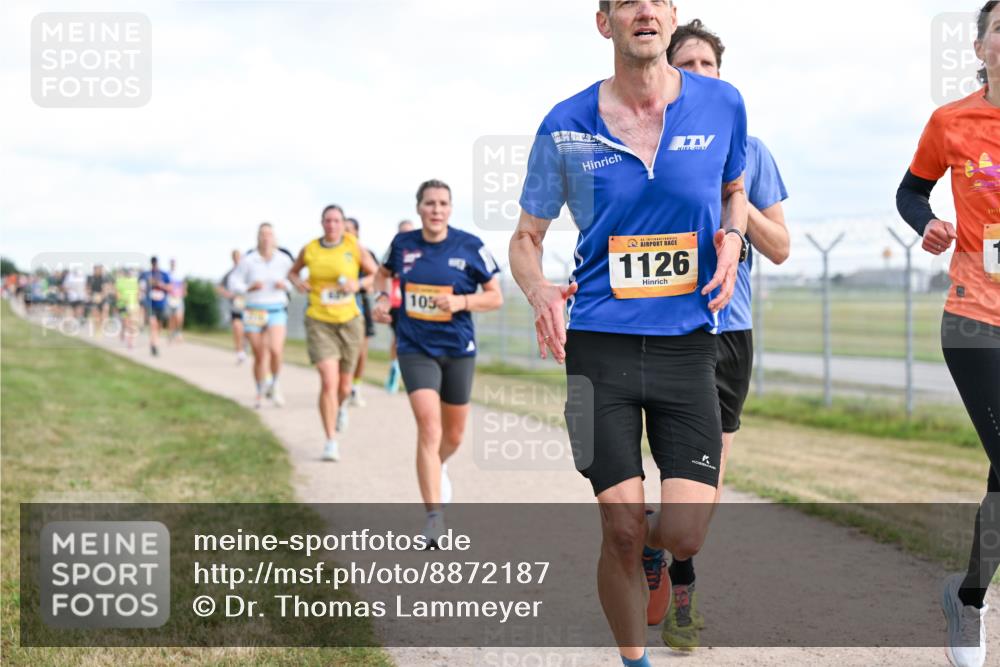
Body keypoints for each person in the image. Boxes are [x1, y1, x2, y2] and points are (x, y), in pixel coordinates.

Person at [509, 2, 749, 664]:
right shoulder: (565, 125)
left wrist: (732, 237)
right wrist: (539, 291)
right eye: (626, 0)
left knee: (685, 534)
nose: (643, 8)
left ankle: (655, 547)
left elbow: (734, 188)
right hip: (598, 347)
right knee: (618, 526)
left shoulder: (723, 105)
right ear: (604, 21)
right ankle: (633, 658)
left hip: (687, 346)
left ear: (671, 18)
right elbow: (526, 238)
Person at [659, 18, 791, 650]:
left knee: (701, 506)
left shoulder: (751, 149)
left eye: (708, 65)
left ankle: (665, 554)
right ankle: (681, 595)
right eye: (685, 64)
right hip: (663, 332)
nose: (698, 75)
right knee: (674, 481)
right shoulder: (648, 143)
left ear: (723, 75)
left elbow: (784, 247)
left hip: (729, 334)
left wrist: (731, 202)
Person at [896, 4, 1000, 665]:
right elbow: (910, 192)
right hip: (974, 316)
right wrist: (928, 223)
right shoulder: (952, 121)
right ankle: (967, 601)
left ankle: (966, 596)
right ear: (981, 45)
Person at [374, 180, 502, 545]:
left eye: (443, 203)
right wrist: (384, 301)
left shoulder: (470, 246)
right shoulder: (403, 245)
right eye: (429, 203)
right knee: (429, 429)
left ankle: (438, 465)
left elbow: (494, 297)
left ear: (450, 208)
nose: (436, 209)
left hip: (458, 348)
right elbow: (382, 277)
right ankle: (434, 518)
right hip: (415, 347)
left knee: (454, 436)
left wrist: (461, 303)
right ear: (419, 208)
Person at [289, 205, 378, 462]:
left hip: (350, 320)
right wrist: (298, 282)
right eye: (327, 221)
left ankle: (340, 406)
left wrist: (357, 284)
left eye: (336, 221)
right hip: (319, 320)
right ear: (321, 223)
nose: (332, 225)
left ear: (342, 223)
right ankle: (330, 440)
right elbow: (293, 272)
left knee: (344, 385)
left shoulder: (353, 245)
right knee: (328, 381)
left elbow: (375, 274)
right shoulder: (310, 248)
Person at [228, 224, 295, 408]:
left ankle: (274, 384)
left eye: (269, 234)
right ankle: (259, 390)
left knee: (275, 350)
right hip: (254, 310)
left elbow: (295, 278)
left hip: (276, 309)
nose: (266, 238)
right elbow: (234, 282)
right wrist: (248, 288)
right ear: (258, 237)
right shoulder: (248, 260)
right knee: (259, 354)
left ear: (274, 238)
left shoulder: (283, 259)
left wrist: (285, 285)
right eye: (263, 234)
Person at [344, 217, 379, 408]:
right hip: (337, 307)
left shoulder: (366, 253)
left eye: (349, 229)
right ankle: (343, 386)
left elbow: (377, 278)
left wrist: (360, 285)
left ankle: (356, 388)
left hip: (361, 305)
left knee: (361, 351)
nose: (346, 233)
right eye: (344, 229)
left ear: (357, 232)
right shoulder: (335, 252)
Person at [385, 219, 417, 394]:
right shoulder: (393, 253)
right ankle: (395, 368)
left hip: (416, 302)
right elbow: (384, 276)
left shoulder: (420, 251)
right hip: (397, 303)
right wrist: (386, 300)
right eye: (402, 231)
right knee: (399, 338)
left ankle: (409, 373)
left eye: (409, 231)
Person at [217, 250, 249, 364]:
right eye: (235, 257)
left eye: (239, 257)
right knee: (237, 326)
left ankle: (244, 345)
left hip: (249, 305)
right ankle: (239, 351)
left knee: (247, 330)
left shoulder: (248, 272)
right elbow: (219, 287)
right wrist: (228, 294)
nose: (237, 259)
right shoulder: (230, 274)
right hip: (235, 304)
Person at [139, 257, 171, 357]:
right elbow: (140, 287)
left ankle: (155, 341)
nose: (154, 265)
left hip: (161, 304)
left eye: (155, 264)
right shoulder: (146, 274)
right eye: (153, 264)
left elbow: (170, 288)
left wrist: (160, 284)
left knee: (159, 327)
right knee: (153, 325)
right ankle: (154, 345)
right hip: (150, 304)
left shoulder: (164, 274)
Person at [114, 267, 141, 349]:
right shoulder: (120, 282)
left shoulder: (135, 282)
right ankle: (123, 332)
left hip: (133, 305)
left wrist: (137, 303)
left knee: (132, 323)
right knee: (125, 323)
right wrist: (123, 300)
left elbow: (138, 293)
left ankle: (130, 342)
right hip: (123, 305)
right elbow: (117, 294)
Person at [86, 264, 114, 337]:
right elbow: (88, 288)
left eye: (100, 269)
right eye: (98, 269)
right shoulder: (90, 278)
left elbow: (106, 289)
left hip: (103, 297)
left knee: (105, 310)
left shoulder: (105, 278)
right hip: (94, 297)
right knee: (96, 315)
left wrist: (101, 296)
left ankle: (105, 325)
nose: (99, 271)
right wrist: (90, 295)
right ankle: (98, 329)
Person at [166, 259, 187, 342]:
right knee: (171, 318)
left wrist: (184, 291)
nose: (173, 265)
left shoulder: (179, 274)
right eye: (171, 263)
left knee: (179, 317)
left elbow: (184, 284)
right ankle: (171, 333)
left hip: (178, 298)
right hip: (170, 298)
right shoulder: (167, 274)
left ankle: (178, 332)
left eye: (173, 263)